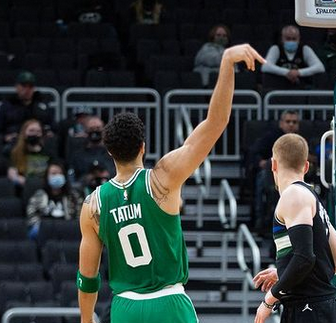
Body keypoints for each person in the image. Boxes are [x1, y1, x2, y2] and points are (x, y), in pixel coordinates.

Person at [77, 44, 265, 323]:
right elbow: (217, 122)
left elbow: (87, 277)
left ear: (109, 152)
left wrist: (85, 320)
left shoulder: (93, 205)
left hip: (125, 307)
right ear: (143, 147)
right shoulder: (162, 178)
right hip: (169, 302)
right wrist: (227, 61)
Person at [252, 133, 336, 323]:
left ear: (273, 164)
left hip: (308, 309)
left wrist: (269, 300)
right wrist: (283, 273)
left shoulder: (293, 195)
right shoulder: (313, 200)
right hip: (326, 308)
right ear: (306, 166)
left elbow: (305, 257)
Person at [248, 110, 301, 231]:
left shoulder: (302, 140)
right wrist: (262, 163)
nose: (291, 124)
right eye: (288, 121)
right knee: (262, 178)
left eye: (294, 122)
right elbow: (254, 153)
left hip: (298, 176)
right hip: (273, 175)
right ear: (281, 123)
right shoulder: (270, 137)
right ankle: (262, 219)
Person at [0, 71, 55, 153]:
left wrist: (48, 134)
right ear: (17, 87)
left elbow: (52, 127)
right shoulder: (7, 106)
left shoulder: (42, 106)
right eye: (24, 86)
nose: (27, 90)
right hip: (13, 144)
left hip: (39, 142)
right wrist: (4, 137)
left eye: (30, 86)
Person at [26, 161, 82, 240]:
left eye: (60, 173)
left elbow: (80, 214)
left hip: (67, 227)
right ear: (47, 177)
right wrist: (40, 225)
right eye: (53, 173)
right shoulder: (39, 195)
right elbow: (31, 213)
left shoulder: (73, 196)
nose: (57, 176)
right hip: (45, 228)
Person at [261, 25, 326, 90]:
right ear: (282, 39)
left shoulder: (305, 49)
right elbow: (265, 66)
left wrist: (298, 72)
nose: (291, 41)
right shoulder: (276, 49)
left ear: (299, 38)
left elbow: (320, 67)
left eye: (294, 39)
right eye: (288, 39)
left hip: (301, 88)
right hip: (279, 87)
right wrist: (287, 72)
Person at [7, 119, 52, 187]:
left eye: (38, 131)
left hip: (43, 187)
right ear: (24, 133)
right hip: (23, 188)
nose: (35, 134)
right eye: (31, 131)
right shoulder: (15, 152)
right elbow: (13, 175)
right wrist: (29, 183)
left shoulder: (48, 152)